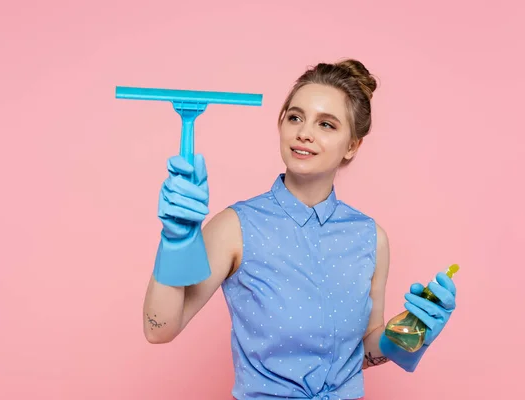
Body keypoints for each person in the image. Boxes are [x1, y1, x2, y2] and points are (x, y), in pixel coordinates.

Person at [142, 59, 458, 399]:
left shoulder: (371, 237)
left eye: (326, 124)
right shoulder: (236, 226)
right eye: (295, 117)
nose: (304, 132)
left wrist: (408, 334)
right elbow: (159, 328)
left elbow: (363, 352)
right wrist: (175, 241)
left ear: (352, 145)